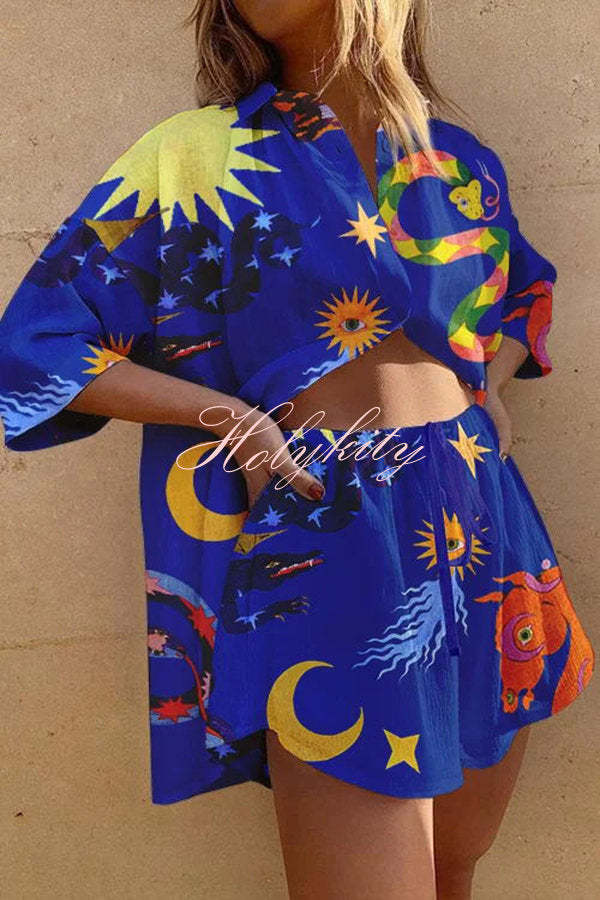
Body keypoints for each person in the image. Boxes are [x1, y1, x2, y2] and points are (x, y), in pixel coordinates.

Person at [0, 1, 594, 897]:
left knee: (455, 866)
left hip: (486, 527)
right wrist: (226, 418)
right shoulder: (195, 157)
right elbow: (38, 344)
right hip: (331, 530)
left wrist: (490, 389)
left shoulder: (459, 161)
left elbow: (522, 293)